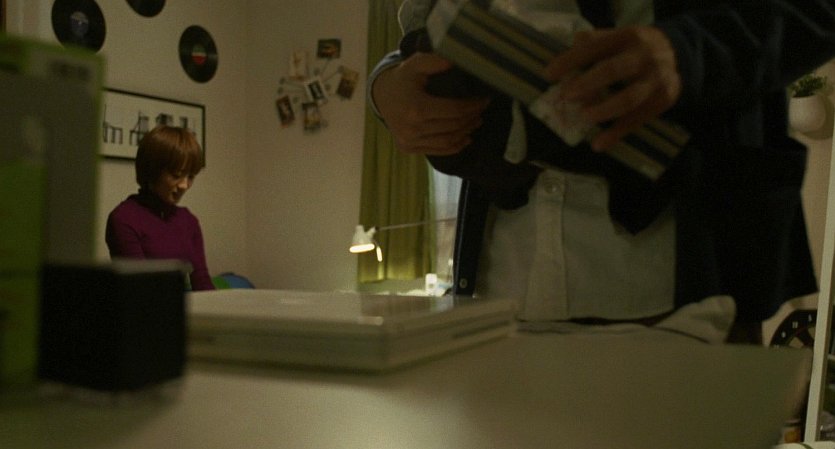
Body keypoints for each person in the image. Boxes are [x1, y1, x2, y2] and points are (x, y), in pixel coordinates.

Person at [369, 0, 835, 343]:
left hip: (690, 284)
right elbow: (433, 19)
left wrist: (687, 51)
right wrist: (385, 84)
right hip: (499, 291)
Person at [105, 125, 215, 291]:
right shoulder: (124, 218)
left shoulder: (188, 221)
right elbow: (140, 288)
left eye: (191, 176)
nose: (185, 185)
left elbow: (202, 282)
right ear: (153, 170)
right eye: (176, 175)